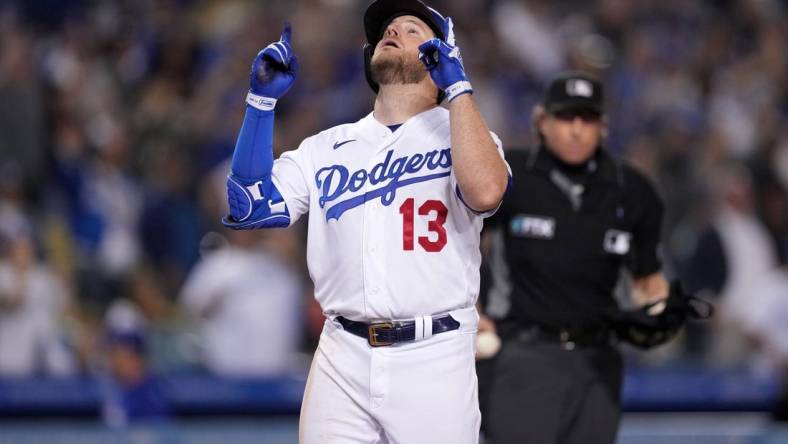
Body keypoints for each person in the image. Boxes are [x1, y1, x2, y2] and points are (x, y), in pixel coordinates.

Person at [221, 0, 509, 441]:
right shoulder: (326, 146)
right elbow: (249, 206)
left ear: (440, 56)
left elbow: (487, 191)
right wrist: (260, 104)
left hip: (435, 353)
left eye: (411, 29)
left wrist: (459, 89)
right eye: (388, 28)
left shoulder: (466, 136)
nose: (392, 30)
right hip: (343, 352)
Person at [480, 71, 667, 444]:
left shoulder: (633, 190)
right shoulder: (509, 175)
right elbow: (456, 243)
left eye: (587, 118)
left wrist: (659, 310)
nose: (577, 129)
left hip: (599, 362)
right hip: (522, 355)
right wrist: (470, 311)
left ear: (604, 127)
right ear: (542, 122)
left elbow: (647, 279)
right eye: (566, 117)